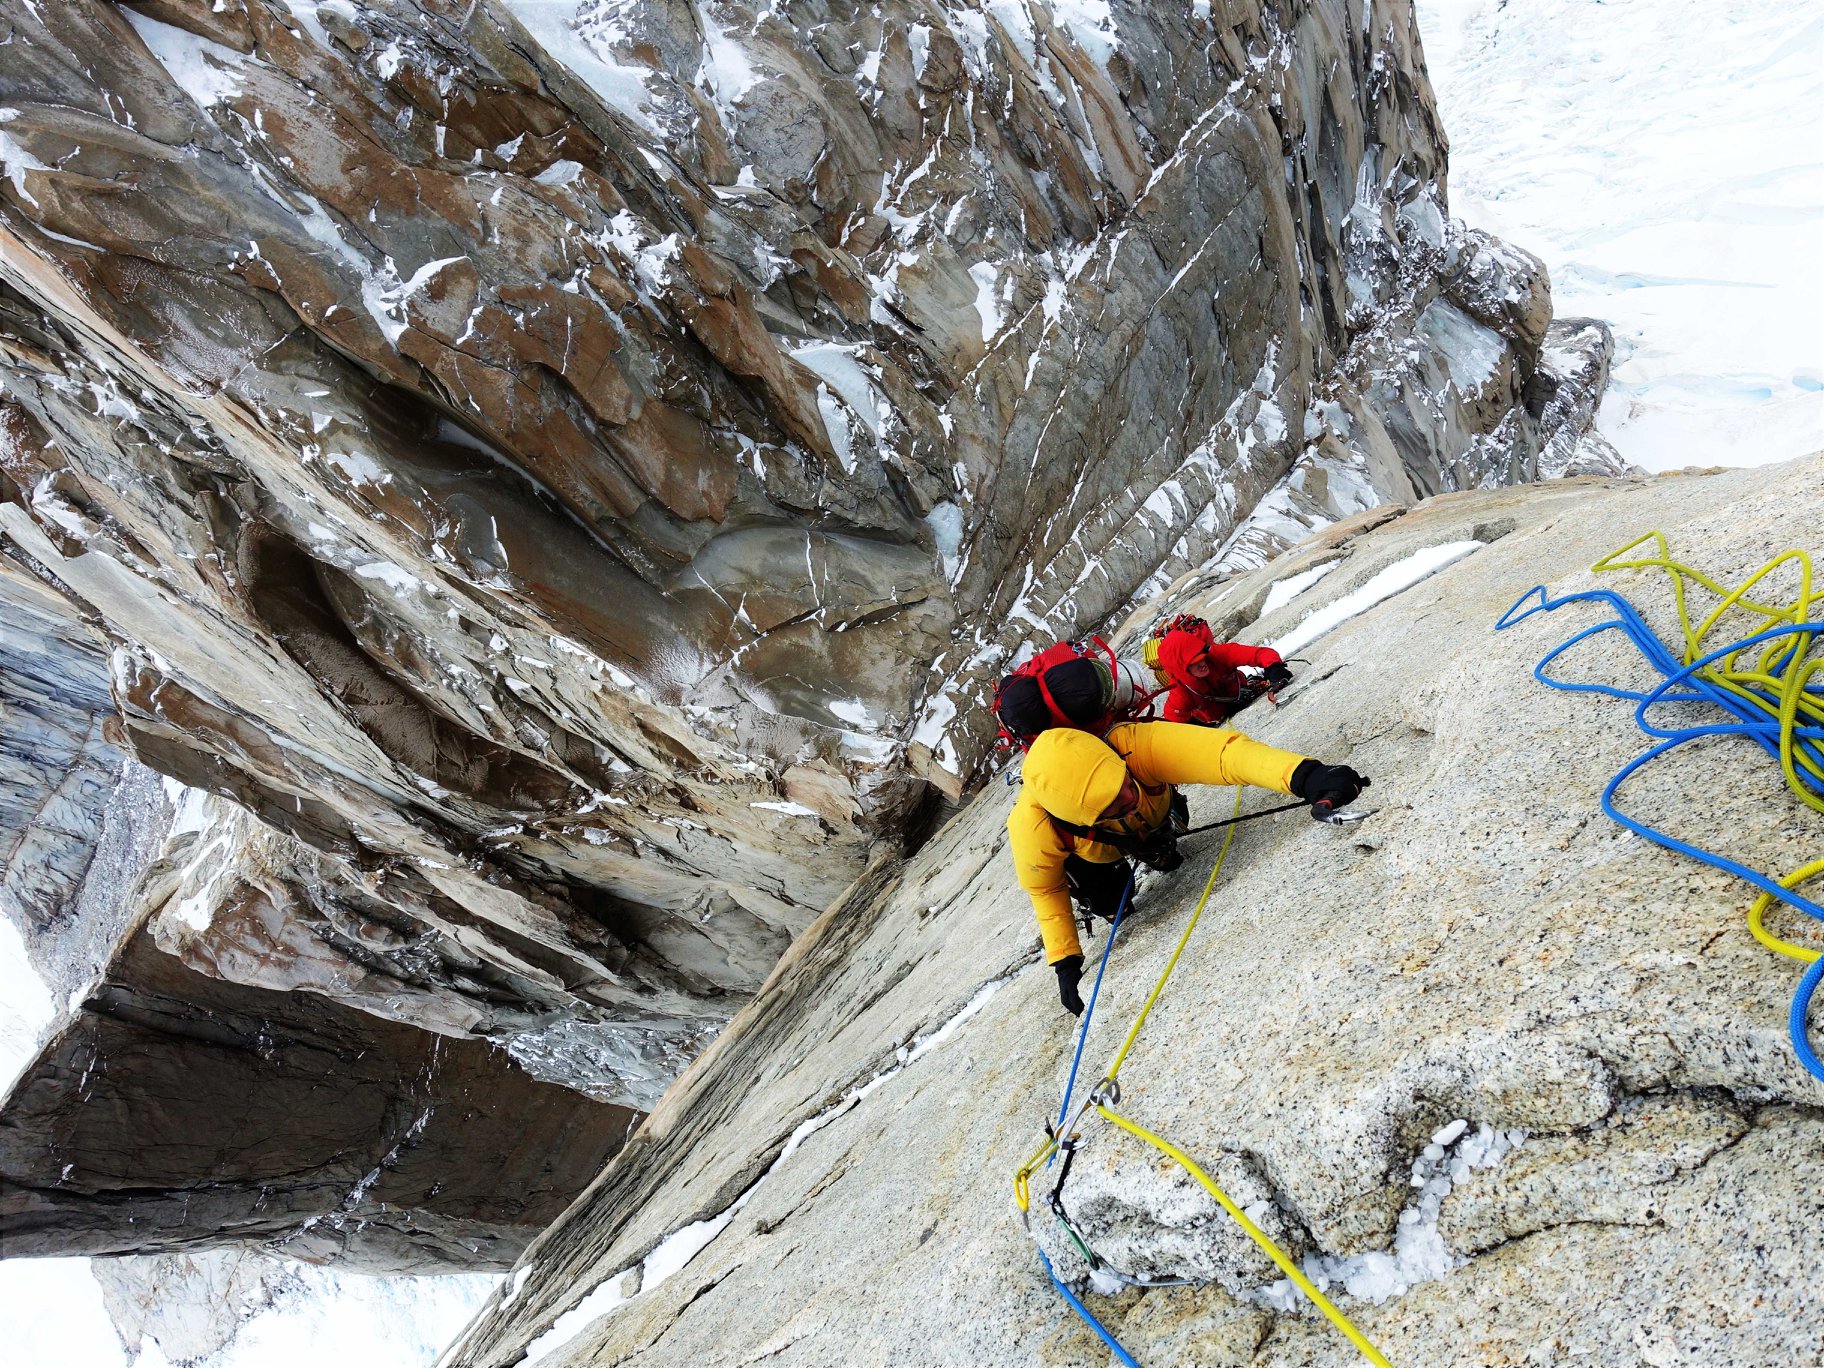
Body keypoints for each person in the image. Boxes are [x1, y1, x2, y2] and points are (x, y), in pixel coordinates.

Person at [1009, 722, 1367, 1015]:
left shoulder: (1133, 745)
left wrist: (1307, 776)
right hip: (1097, 855)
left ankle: (1162, 840)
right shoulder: (1033, 828)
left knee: (1164, 832)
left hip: (1159, 816)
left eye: (1123, 786)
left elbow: (1223, 755)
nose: (1129, 801)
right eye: (1113, 807)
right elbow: (1046, 888)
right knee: (1110, 898)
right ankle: (1127, 870)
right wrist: (1065, 960)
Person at [1145, 616, 1292, 726]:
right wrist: (1201, 729)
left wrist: (1275, 669)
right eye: (1194, 662)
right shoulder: (1180, 691)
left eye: (1201, 657)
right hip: (1218, 719)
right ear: (1181, 670)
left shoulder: (1217, 654)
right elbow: (1174, 723)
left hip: (1243, 693)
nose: (1202, 663)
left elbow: (1261, 654)